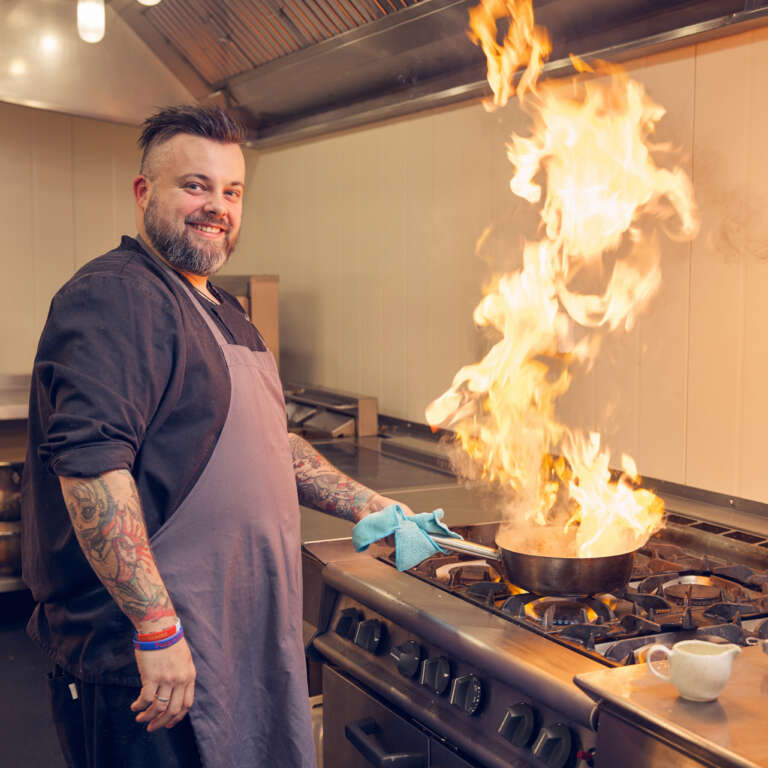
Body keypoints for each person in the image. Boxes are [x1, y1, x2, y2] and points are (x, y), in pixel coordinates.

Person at [21, 104, 410, 768]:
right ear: (145, 192)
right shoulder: (118, 296)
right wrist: (155, 626)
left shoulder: (224, 308)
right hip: (144, 666)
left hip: (230, 642)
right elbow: (89, 468)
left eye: (232, 192)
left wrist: (375, 509)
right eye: (195, 186)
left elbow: (270, 444)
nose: (218, 207)